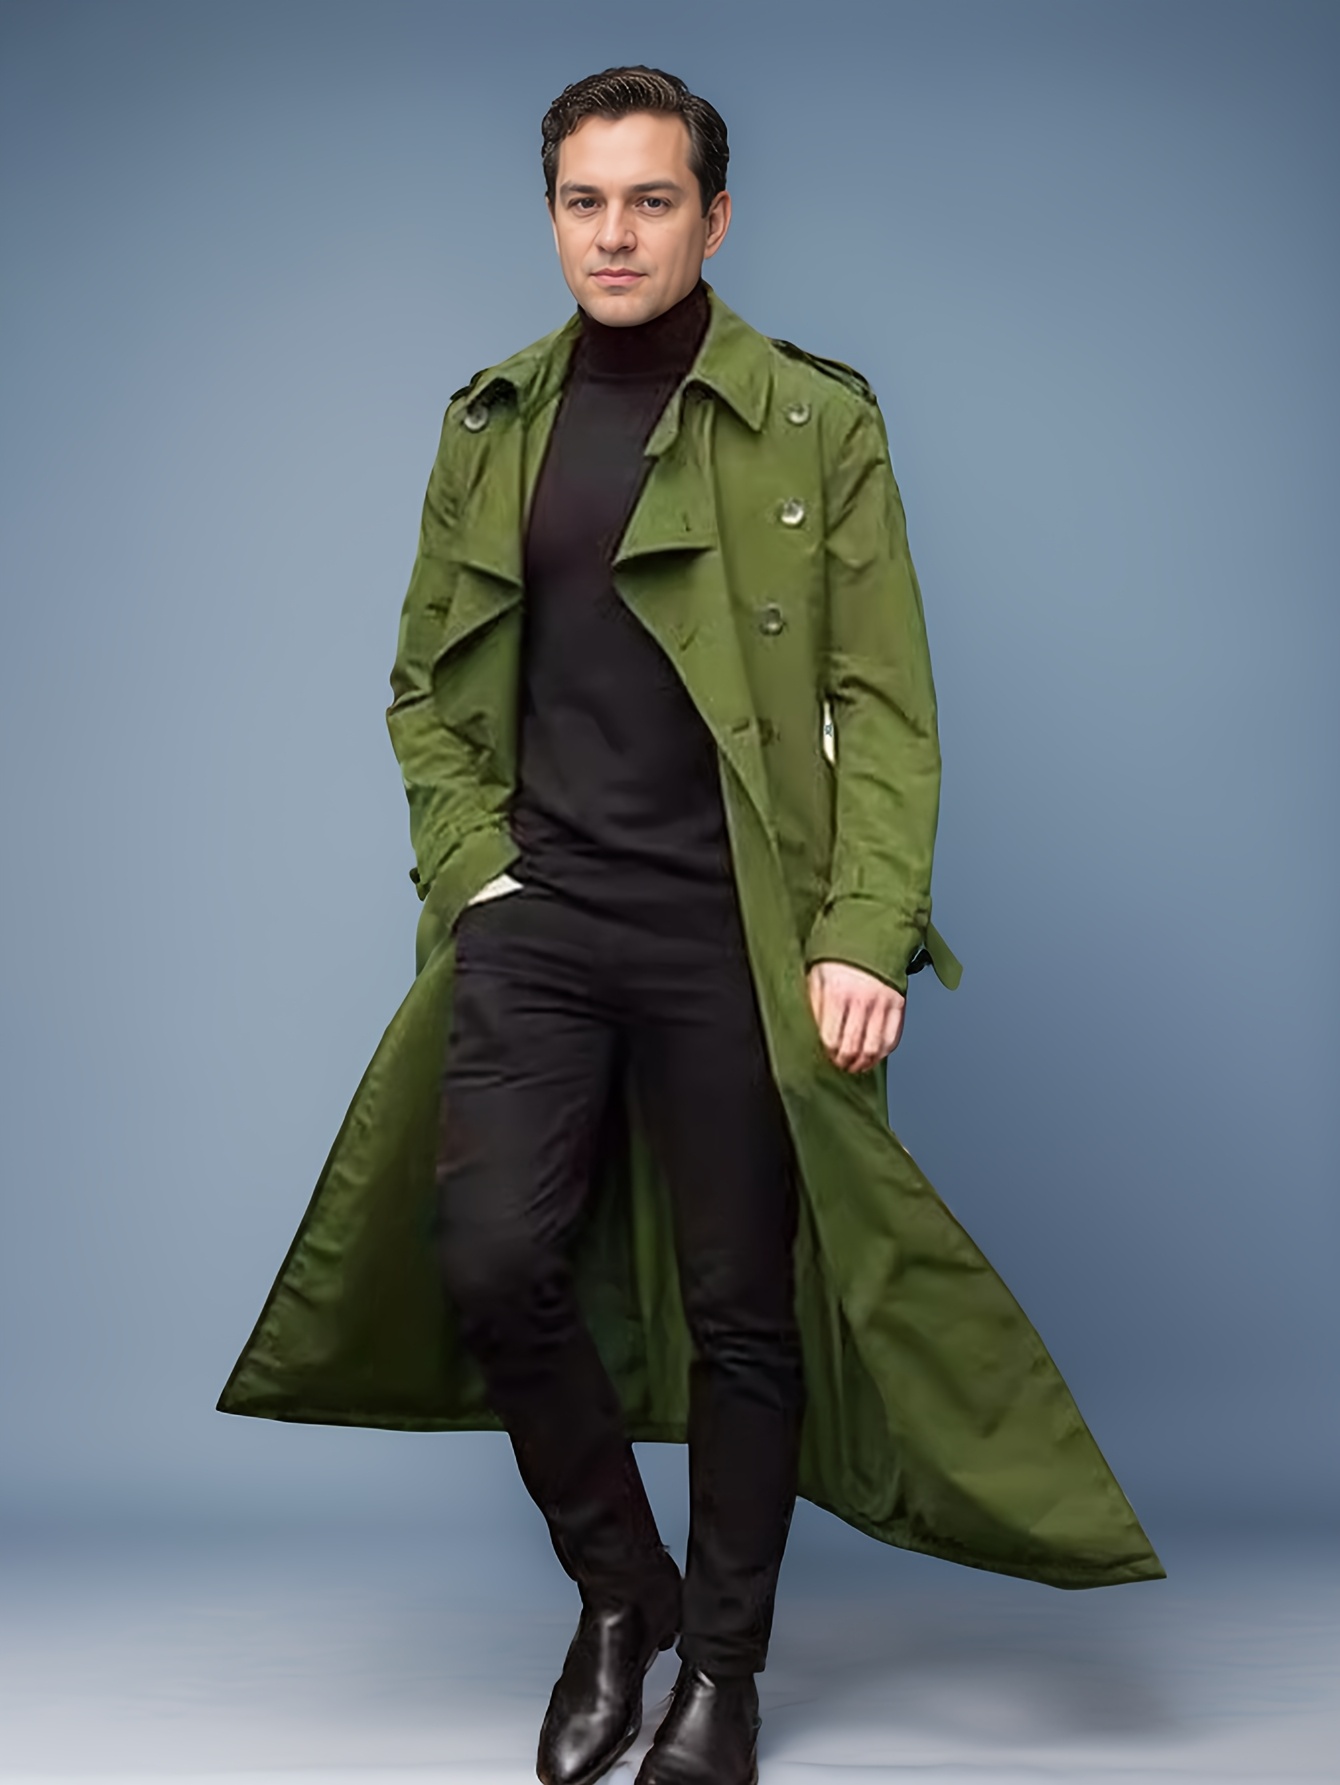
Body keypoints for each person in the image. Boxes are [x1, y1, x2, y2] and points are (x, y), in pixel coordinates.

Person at [218, 61, 1163, 1785]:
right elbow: (421, 687)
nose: (616, 233)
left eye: (652, 200)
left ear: (714, 219)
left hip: (743, 921)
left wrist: (863, 927)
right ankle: (621, 1591)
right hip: (542, 911)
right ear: (552, 217)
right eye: (585, 201)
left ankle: (722, 1671)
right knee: (490, 1254)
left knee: (746, 1307)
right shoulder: (491, 421)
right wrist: (473, 868)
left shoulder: (816, 421)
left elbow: (885, 700)